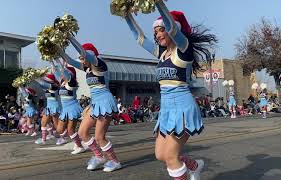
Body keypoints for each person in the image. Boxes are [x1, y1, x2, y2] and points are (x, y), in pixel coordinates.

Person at [124, 1, 217, 179]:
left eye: (161, 30)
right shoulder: (161, 53)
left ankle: (187, 170)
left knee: (171, 158)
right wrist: (126, 14)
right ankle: (194, 166)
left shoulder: (184, 49)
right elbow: (139, 38)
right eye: (156, 31)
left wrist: (157, 3)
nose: (158, 35)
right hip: (166, 109)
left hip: (182, 107)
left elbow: (172, 28)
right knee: (161, 155)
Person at [58, 41, 120, 172]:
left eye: (82, 58)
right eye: (80, 58)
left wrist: (69, 36)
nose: (81, 60)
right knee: (82, 132)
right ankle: (99, 157)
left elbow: (84, 53)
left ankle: (114, 161)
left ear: (89, 56)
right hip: (95, 103)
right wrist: (57, 49)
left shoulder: (100, 65)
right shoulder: (87, 69)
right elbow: (68, 60)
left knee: (99, 137)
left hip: (105, 102)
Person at [34, 73, 62, 145]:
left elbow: (42, 83)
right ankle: (43, 140)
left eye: (47, 79)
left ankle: (61, 138)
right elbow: (40, 84)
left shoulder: (54, 86)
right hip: (48, 107)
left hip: (55, 106)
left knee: (56, 124)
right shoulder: (47, 87)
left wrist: (34, 76)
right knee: (43, 122)